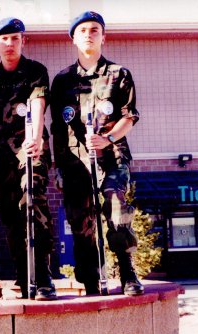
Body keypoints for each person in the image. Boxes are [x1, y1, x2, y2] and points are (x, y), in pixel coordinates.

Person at [50, 11, 144, 296]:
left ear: (104, 36)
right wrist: (59, 167)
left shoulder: (118, 74)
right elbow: (58, 128)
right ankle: (91, 281)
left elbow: (129, 116)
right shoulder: (62, 80)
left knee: (116, 208)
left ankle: (127, 272)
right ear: (73, 39)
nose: (88, 35)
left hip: (112, 157)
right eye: (82, 31)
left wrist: (107, 139)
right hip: (75, 161)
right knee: (80, 222)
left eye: (94, 30)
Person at [0, 18, 57, 300]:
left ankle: (43, 276)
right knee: (11, 218)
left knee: (32, 202)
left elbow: (38, 105)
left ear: (23, 41)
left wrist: (35, 138)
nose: (10, 43)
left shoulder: (35, 71)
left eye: (15, 38)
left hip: (29, 151)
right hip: (0, 161)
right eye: (4, 38)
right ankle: (24, 276)